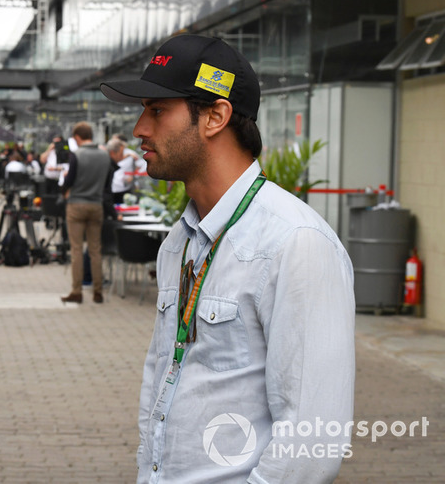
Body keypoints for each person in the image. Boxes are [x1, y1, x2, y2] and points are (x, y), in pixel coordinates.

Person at [100, 34, 355, 483]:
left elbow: (312, 443)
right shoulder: (178, 243)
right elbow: (163, 376)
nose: (139, 128)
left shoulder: (295, 242)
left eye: (157, 110)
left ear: (216, 116)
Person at [60, 121, 111, 304]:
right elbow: (107, 184)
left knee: (76, 250)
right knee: (95, 250)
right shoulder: (105, 156)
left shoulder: (76, 155)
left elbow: (70, 180)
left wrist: (65, 189)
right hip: (96, 206)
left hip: (76, 205)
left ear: (77, 137)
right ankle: (98, 291)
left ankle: (77, 291)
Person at [106, 137, 145, 204]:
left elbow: (142, 165)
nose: (121, 156)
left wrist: (134, 175)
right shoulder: (106, 158)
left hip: (124, 188)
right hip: (111, 189)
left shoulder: (130, 154)